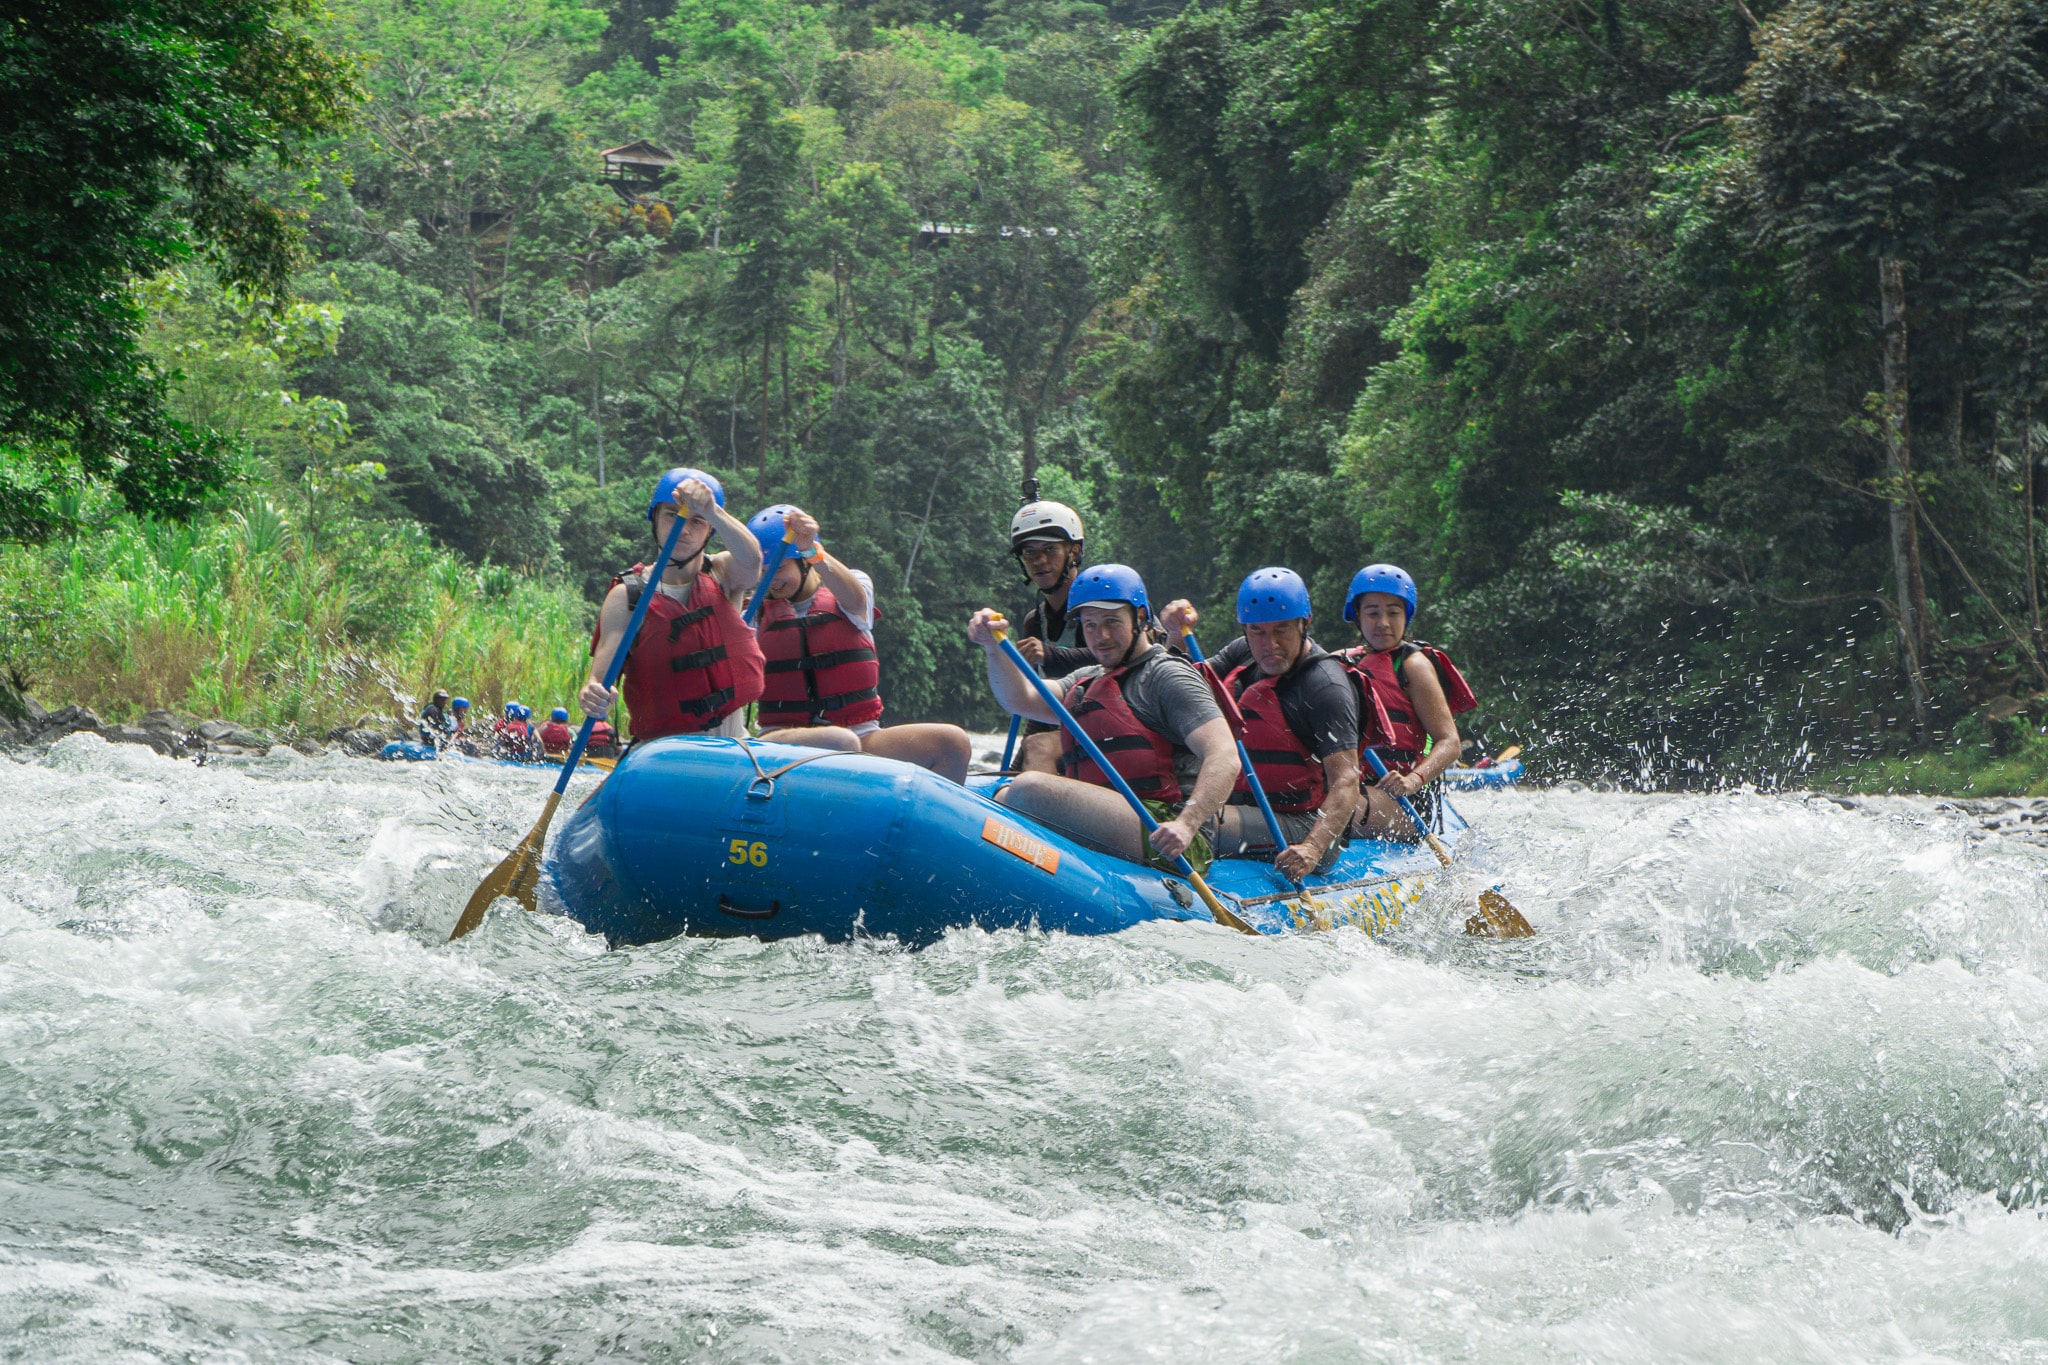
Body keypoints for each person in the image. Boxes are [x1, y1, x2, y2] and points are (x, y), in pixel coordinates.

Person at [966, 565, 1239, 868]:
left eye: (1112, 621)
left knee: (1028, 789)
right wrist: (993, 648)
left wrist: (1186, 825)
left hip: (1170, 835)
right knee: (1002, 797)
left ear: (1140, 618)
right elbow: (1020, 699)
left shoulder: (1168, 675)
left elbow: (1225, 755)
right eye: (1091, 625)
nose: (1101, 636)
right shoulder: (1087, 680)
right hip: (1116, 821)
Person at [1157, 568, 1363, 879]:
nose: (1270, 645)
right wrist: (1175, 636)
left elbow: (1347, 781)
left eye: (1281, 630)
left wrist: (1312, 848)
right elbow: (1185, 688)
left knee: (1197, 820)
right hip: (1246, 807)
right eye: (1258, 631)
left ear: (1304, 623)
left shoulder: (1326, 687)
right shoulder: (1244, 651)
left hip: (1307, 826)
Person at [747, 504, 972, 784]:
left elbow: (856, 602)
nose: (772, 580)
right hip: (782, 741)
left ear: (804, 560)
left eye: (779, 567)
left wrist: (812, 549)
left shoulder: (853, 584)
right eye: (764, 571)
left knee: (953, 742)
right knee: (838, 740)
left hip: (861, 738)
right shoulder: (754, 612)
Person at [581, 468, 765, 746]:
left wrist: (712, 510)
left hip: (731, 745)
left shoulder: (724, 573)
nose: (684, 529)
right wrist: (592, 693)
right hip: (663, 751)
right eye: (672, 515)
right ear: (654, 519)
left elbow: (753, 562)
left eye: (698, 521)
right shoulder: (627, 596)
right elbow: (599, 677)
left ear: (710, 531)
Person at [1337, 563, 1476, 839]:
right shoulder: (1343, 663)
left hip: (1406, 802)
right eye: (1373, 612)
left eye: (1393, 612)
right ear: (1358, 616)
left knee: (1330, 810)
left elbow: (1450, 742)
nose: (1383, 623)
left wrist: (1412, 781)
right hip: (1355, 788)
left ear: (1406, 616)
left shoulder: (1414, 666)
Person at [1006, 500, 1094, 774]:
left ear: (1074, 551)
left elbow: (1117, 659)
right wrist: (1014, 769)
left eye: (1050, 549)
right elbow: (1040, 704)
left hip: (1106, 729)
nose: (1039, 561)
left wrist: (1051, 654)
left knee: (1040, 746)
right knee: (1035, 746)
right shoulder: (1035, 621)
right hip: (1060, 730)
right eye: (1029, 552)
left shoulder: (1100, 606)